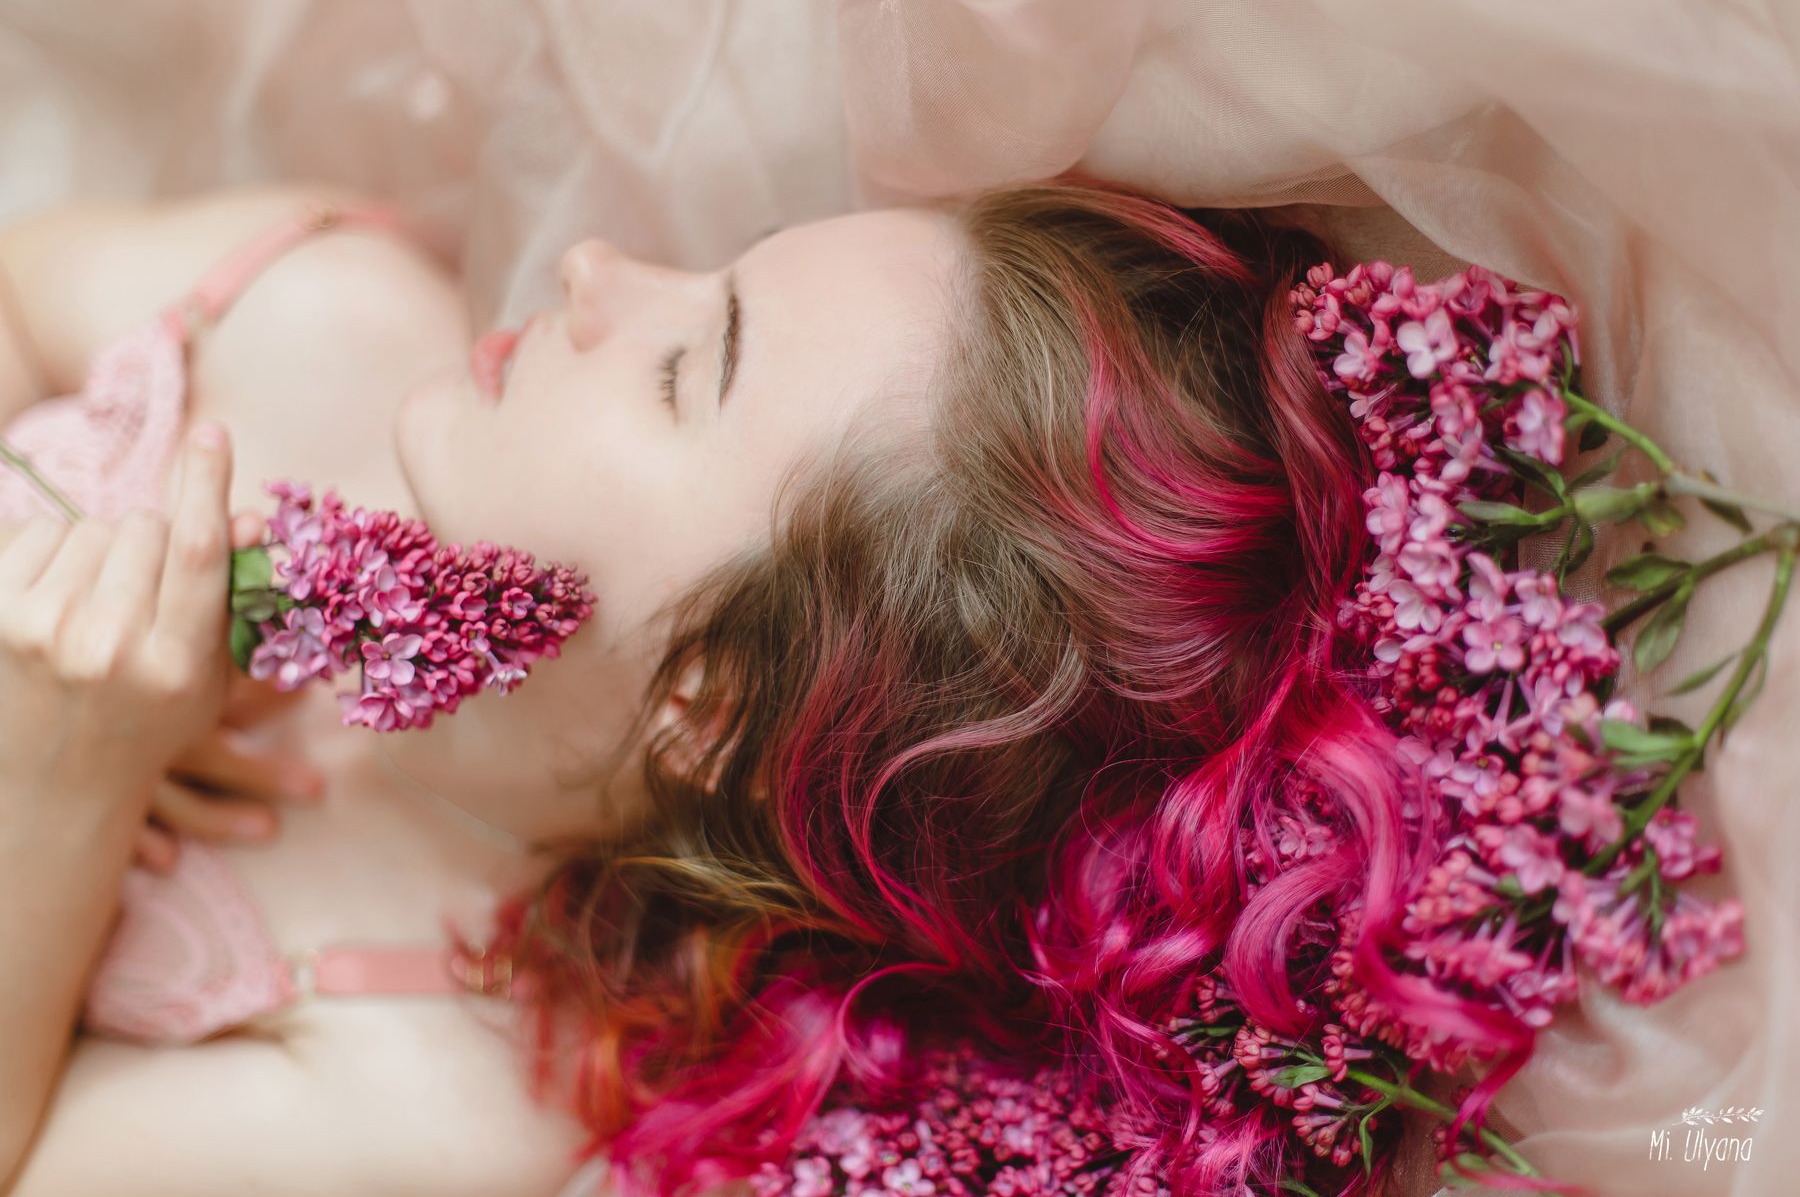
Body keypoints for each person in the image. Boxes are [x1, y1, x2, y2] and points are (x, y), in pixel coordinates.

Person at [0, 177, 1478, 1195]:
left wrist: (59, 780)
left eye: (682, 370)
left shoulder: (432, 1084)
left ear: (704, 702)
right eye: (722, 266)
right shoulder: (315, 316)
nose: (594, 270)